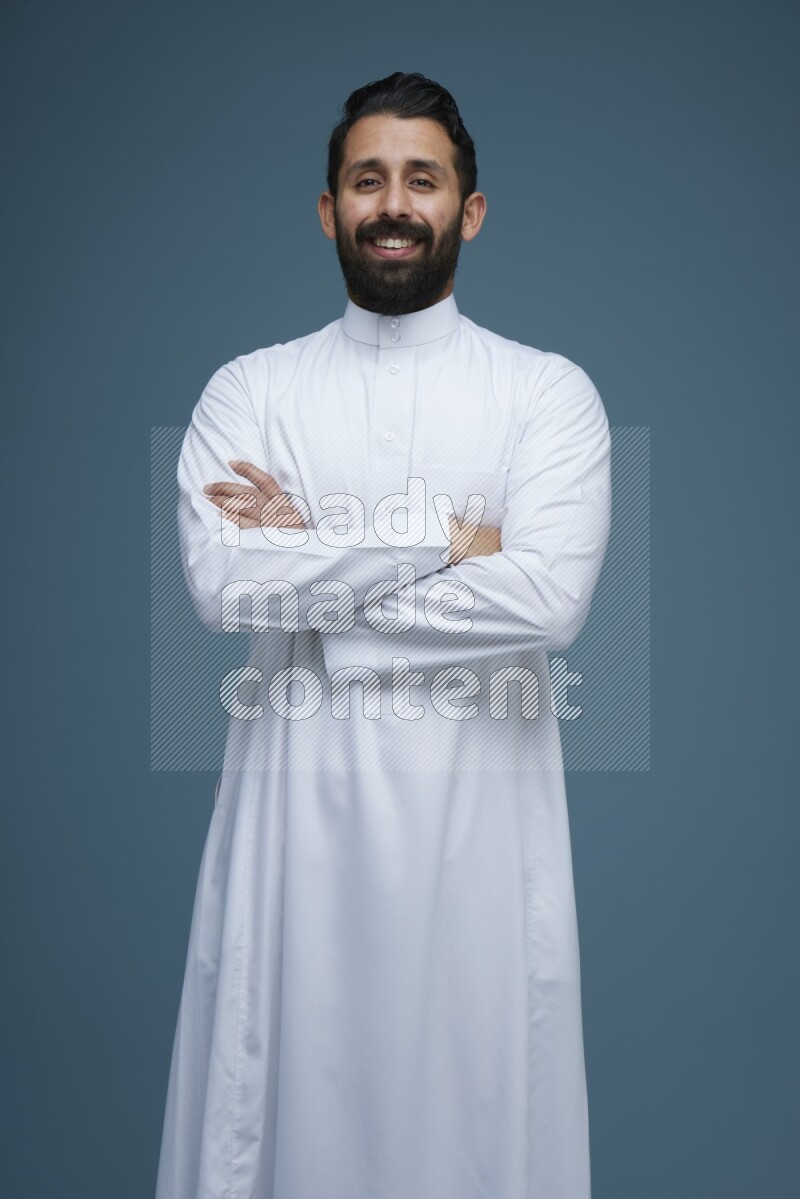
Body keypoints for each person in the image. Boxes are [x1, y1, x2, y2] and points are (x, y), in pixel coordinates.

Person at [155, 71, 611, 1199]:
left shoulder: (546, 396)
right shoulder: (249, 391)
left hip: (480, 853)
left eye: (422, 179)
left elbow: (547, 600)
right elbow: (225, 586)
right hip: (291, 844)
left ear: (470, 208)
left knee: (476, 1123)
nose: (393, 204)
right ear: (327, 209)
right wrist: (447, 536)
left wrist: (316, 548)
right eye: (367, 180)